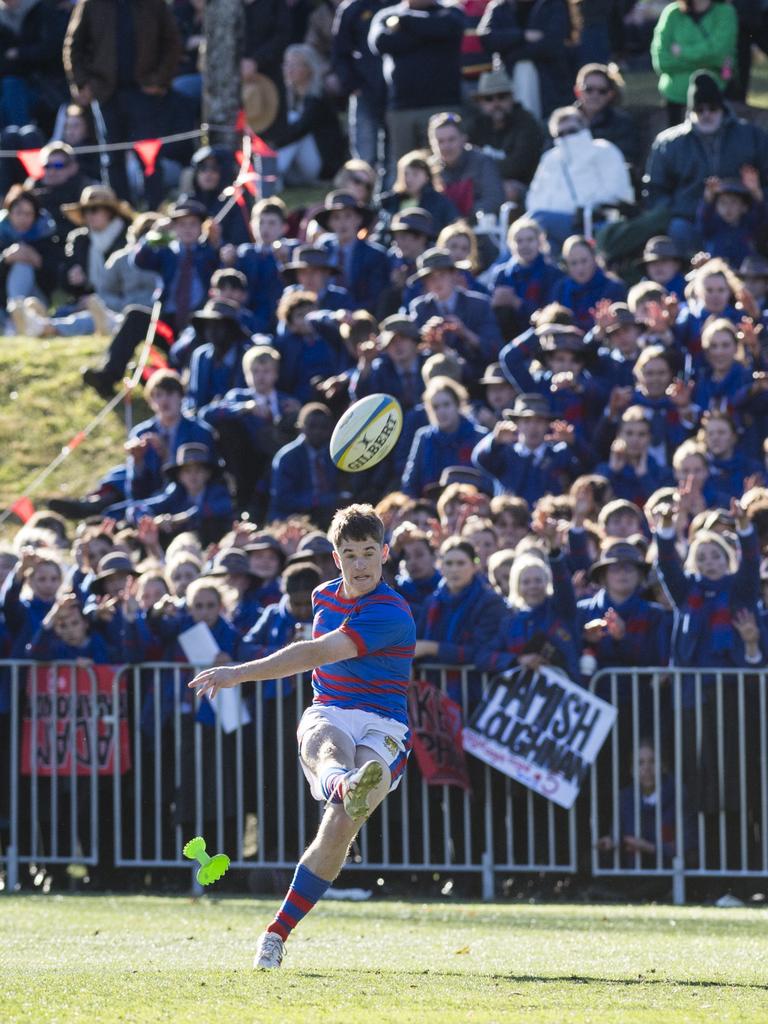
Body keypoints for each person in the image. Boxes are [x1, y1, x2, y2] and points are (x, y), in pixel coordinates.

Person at [189, 503, 416, 969]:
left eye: (369, 552)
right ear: (336, 558)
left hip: (384, 724)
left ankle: (278, 929)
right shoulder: (321, 597)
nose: (360, 563)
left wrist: (238, 673)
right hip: (330, 708)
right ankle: (342, 784)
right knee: (328, 743)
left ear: (385, 554)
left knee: (338, 828)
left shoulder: (392, 611)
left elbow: (318, 651)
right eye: (349, 553)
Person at [642, 70, 768, 256]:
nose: (706, 114)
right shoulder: (669, 143)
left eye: (712, 108)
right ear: (691, 110)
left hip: (743, 219)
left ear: (722, 108)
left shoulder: (751, 136)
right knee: (677, 228)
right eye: (699, 109)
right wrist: (674, 210)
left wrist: (756, 194)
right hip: (689, 219)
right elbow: (655, 189)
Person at [368, 0, 465, 168]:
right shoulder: (385, 15)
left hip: (442, 105)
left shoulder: (452, 12)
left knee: (444, 167)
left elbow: (447, 28)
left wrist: (403, 22)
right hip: (402, 108)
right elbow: (380, 42)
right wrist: (430, 32)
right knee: (406, 169)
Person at [526, 106, 635, 253]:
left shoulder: (603, 150)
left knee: (533, 224)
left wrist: (584, 207)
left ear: (584, 128)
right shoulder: (550, 158)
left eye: (572, 131)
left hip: (591, 221)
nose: (567, 137)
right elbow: (534, 197)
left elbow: (618, 192)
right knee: (538, 242)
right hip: (552, 225)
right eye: (561, 133)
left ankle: (496, 271)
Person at [463, 66, 544, 210]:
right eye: (489, 98)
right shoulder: (475, 126)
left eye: (502, 96)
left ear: (511, 98)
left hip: (524, 188)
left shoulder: (527, 123)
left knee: (508, 190)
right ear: (481, 103)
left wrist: (484, 172)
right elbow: (464, 159)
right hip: (482, 184)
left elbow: (518, 166)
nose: (496, 104)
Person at [650, 0, 738, 126]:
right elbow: (662, 62)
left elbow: (720, 53)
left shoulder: (725, 12)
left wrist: (682, 52)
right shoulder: (672, 13)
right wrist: (707, 62)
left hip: (716, 94)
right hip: (675, 99)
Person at [427, 111, 505, 220]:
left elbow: (494, 199)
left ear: (463, 139)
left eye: (451, 139)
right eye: (440, 141)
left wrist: (463, 217)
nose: (446, 146)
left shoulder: (482, 162)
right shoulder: (428, 169)